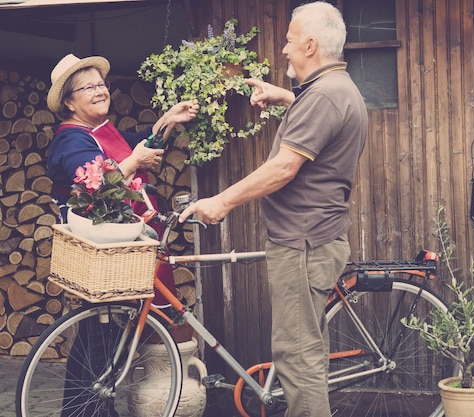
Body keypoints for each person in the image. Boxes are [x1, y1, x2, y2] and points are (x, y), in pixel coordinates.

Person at [180, 3, 368, 417]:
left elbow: (284, 167)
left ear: (311, 44)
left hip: (303, 244)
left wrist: (220, 201)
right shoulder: (333, 90)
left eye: (288, 39)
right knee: (306, 354)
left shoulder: (324, 97)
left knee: (296, 357)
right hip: (314, 239)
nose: (283, 49)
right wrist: (286, 99)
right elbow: (320, 117)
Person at [45, 53, 199, 417]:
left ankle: (87, 410)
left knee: (105, 332)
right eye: (89, 87)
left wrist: (167, 122)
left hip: (120, 246)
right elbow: (92, 183)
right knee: (101, 333)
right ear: (70, 101)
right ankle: (88, 411)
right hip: (103, 250)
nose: (100, 91)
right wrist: (136, 162)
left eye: (101, 84)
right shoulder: (71, 140)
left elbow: (136, 142)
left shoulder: (100, 131)